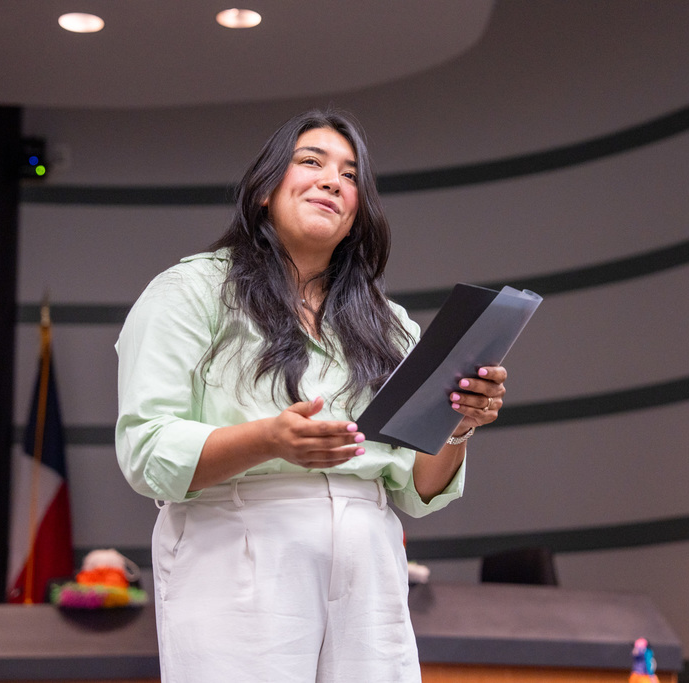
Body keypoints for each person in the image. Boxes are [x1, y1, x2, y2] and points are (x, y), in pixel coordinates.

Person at [115, 109, 508, 683]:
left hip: (369, 559)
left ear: (356, 215)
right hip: (240, 548)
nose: (332, 181)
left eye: (350, 176)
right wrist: (269, 439)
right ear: (263, 191)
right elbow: (148, 451)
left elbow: (417, 486)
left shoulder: (391, 325)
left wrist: (458, 425)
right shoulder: (190, 291)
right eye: (311, 162)